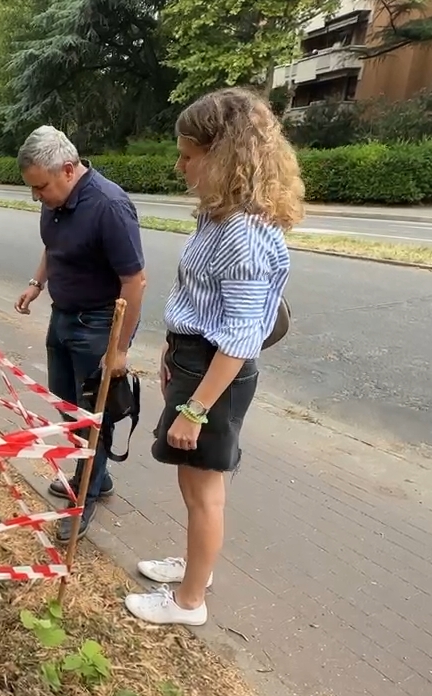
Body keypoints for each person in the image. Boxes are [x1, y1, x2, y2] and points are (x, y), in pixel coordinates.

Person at [124, 88, 303, 626]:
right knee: (196, 482)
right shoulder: (218, 215)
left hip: (214, 372)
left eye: (188, 155)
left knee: (205, 490)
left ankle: (189, 602)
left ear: (223, 156)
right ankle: (194, 566)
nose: (179, 166)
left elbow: (244, 334)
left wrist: (197, 407)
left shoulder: (243, 233)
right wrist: (170, 355)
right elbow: (200, 300)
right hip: (195, 360)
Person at [14, 125, 146, 543]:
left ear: (68, 170)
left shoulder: (109, 206)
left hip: (98, 327)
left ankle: (83, 499)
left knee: (93, 418)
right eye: (33, 189)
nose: (38, 196)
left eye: (41, 187)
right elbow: (53, 247)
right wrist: (37, 285)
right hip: (63, 317)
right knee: (69, 409)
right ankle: (97, 476)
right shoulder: (55, 201)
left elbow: (135, 280)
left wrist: (120, 348)